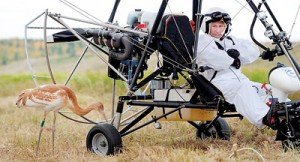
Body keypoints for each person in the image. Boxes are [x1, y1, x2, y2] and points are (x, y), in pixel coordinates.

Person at [196, 7, 279, 130]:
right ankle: (266, 117)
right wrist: (231, 58)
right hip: (218, 84)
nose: (218, 30)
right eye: (214, 26)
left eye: (221, 26)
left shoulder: (230, 40)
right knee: (243, 89)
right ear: (207, 26)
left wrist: (237, 53)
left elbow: (252, 51)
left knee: (267, 89)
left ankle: (287, 112)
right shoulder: (202, 41)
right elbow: (212, 58)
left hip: (240, 80)